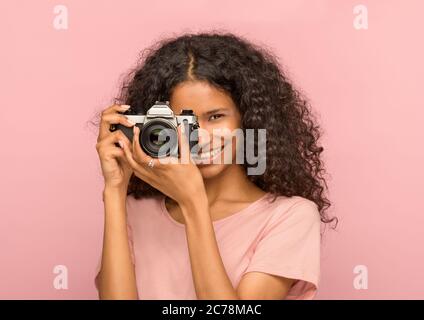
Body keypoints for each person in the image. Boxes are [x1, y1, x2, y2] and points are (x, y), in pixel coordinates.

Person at [94, 31, 337, 300]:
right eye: (185, 122)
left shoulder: (290, 216)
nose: (201, 137)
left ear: (247, 119)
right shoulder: (136, 211)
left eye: (216, 116)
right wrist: (115, 191)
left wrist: (193, 202)